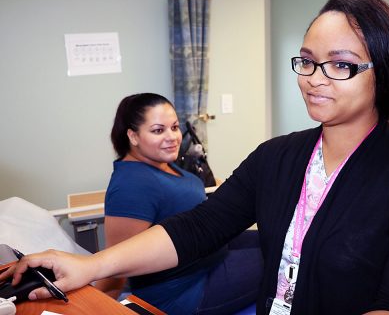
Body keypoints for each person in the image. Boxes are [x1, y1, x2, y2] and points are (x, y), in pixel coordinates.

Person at [0, 0, 389, 314]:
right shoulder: (278, 158)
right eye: (306, 60)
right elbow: (200, 228)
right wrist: (91, 265)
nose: (314, 77)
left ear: (383, 72)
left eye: (341, 64)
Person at [86, 93, 263, 314]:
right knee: (286, 253)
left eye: (175, 127)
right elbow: (115, 264)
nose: (172, 137)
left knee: (279, 235)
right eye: (158, 130)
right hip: (187, 290)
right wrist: (96, 309)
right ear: (133, 136)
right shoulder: (131, 185)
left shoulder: (161, 162)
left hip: (206, 253)